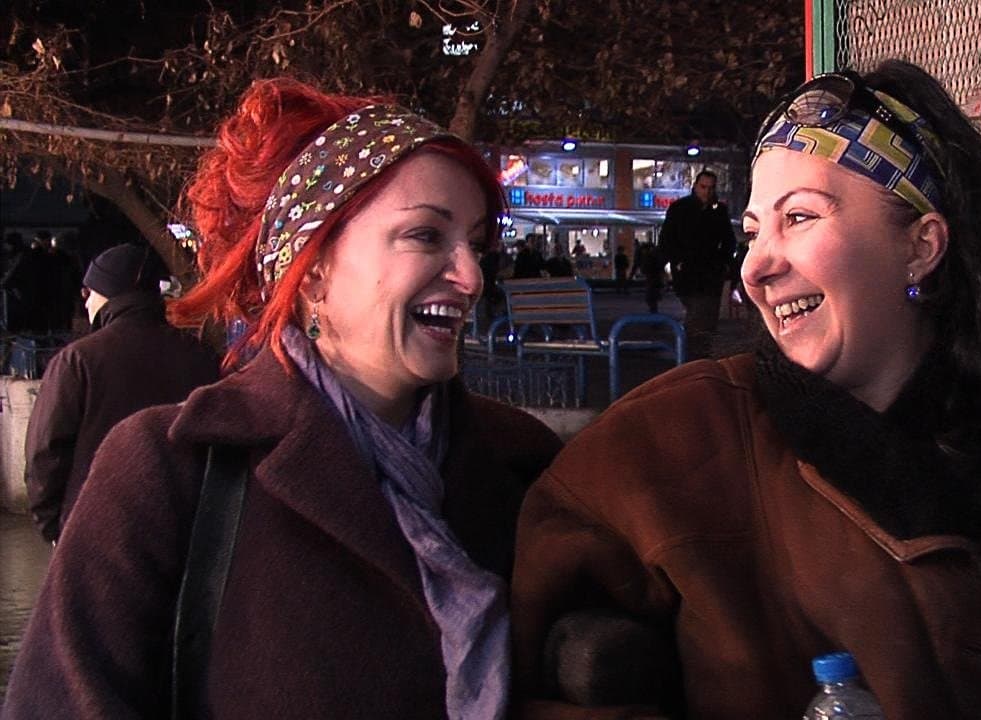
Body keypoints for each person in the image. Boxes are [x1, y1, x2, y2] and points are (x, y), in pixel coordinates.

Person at [510, 61, 981, 718]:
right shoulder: (666, 442)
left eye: (800, 218)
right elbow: (548, 668)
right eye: (754, 230)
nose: (755, 266)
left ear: (921, 245)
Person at [3, 78, 562, 719]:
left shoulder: (524, 464)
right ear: (313, 266)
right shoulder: (170, 470)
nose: (471, 276)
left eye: (477, 244)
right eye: (426, 236)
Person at [22, 243, 221, 545]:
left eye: (88, 293)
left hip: (93, 529)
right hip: (183, 528)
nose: (86, 302)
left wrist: (54, 527)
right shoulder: (202, 356)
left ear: (107, 294)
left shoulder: (78, 360)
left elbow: (45, 454)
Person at [658, 169, 736, 359]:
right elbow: (667, 239)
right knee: (700, 315)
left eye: (710, 188)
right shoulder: (680, 209)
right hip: (689, 272)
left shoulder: (718, 211)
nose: (707, 192)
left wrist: (722, 262)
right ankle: (696, 357)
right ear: (695, 186)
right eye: (703, 187)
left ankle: (697, 357)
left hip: (709, 272)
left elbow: (728, 240)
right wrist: (677, 261)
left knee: (705, 317)